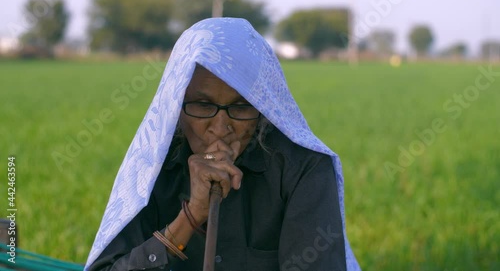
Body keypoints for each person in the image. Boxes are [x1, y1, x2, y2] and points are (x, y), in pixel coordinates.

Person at [85, 17, 361, 271]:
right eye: (202, 105)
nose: (220, 128)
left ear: (263, 108)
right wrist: (192, 216)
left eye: (240, 107)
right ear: (176, 105)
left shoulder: (304, 169)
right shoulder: (153, 167)